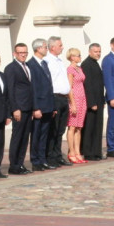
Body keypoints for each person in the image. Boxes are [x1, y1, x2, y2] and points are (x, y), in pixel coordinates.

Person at [4, 42, 34, 174]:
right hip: (19, 108)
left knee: (25, 137)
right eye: (20, 53)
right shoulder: (11, 68)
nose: (23, 55)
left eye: (25, 53)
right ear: (14, 54)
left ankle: (20, 163)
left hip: (28, 106)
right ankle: (14, 165)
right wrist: (15, 108)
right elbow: (10, 89)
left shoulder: (27, 66)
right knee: (17, 136)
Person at [28, 38, 56, 171]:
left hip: (48, 105)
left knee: (45, 134)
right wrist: (35, 107)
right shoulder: (31, 65)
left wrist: (53, 106)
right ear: (38, 49)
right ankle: (35, 160)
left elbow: (49, 85)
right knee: (36, 134)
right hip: (39, 105)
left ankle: (43, 158)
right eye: (45, 47)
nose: (46, 49)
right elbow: (33, 88)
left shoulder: (44, 63)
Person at [45, 36, 71, 166]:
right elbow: (49, 82)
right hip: (54, 97)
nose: (62, 47)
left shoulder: (60, 60)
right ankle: (50, 156)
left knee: (61, 129)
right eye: (60, 45)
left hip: (63, 97)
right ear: (52, 47)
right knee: (53, 129)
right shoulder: (47, 61)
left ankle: (58, 155)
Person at [80, 43, 104, 161]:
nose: (98, 54)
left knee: (97, 127)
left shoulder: (95, 64)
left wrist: (102, 100)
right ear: (90, 52)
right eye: (96, 52)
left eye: (99, 52)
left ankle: (96, 151)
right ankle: (88, 152)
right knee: (89, 127)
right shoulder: (86, 64)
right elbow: (88, 85)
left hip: (98, 100)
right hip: (92, 102)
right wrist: (92, 102)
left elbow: (99, 84)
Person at [65, 47, 87, 164]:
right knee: (72, 126)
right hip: (75, 99)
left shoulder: (79, 68)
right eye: (78, 55)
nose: (79, 57)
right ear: (72, 57)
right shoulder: (70, 69)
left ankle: (78, 152)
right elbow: (69, 87)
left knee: (79, 127)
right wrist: (72, 103)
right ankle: (71, 152)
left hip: (82, 98)